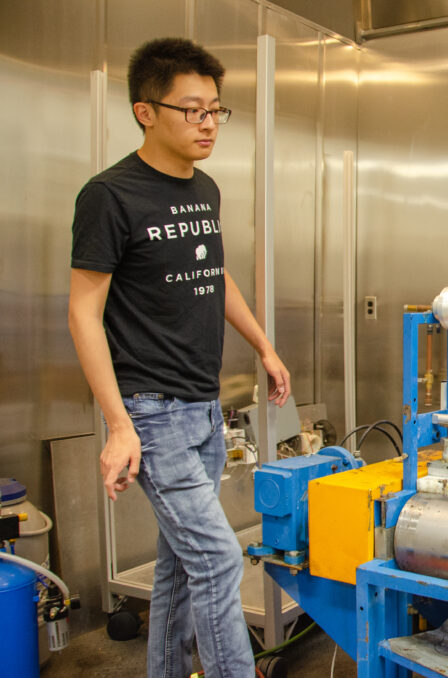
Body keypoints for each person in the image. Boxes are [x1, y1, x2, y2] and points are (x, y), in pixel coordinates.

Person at [68, 38, 290, 678]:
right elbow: (84, 312)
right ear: (146, 111)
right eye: (192, 110)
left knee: (180, 566)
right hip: (152, 411)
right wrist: (118, 426)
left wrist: (264, 347)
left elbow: (216, 277)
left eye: (216, 111)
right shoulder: (109, 196)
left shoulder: (205, 190)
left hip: (203, 405)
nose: (207, 125)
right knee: (219, 559)